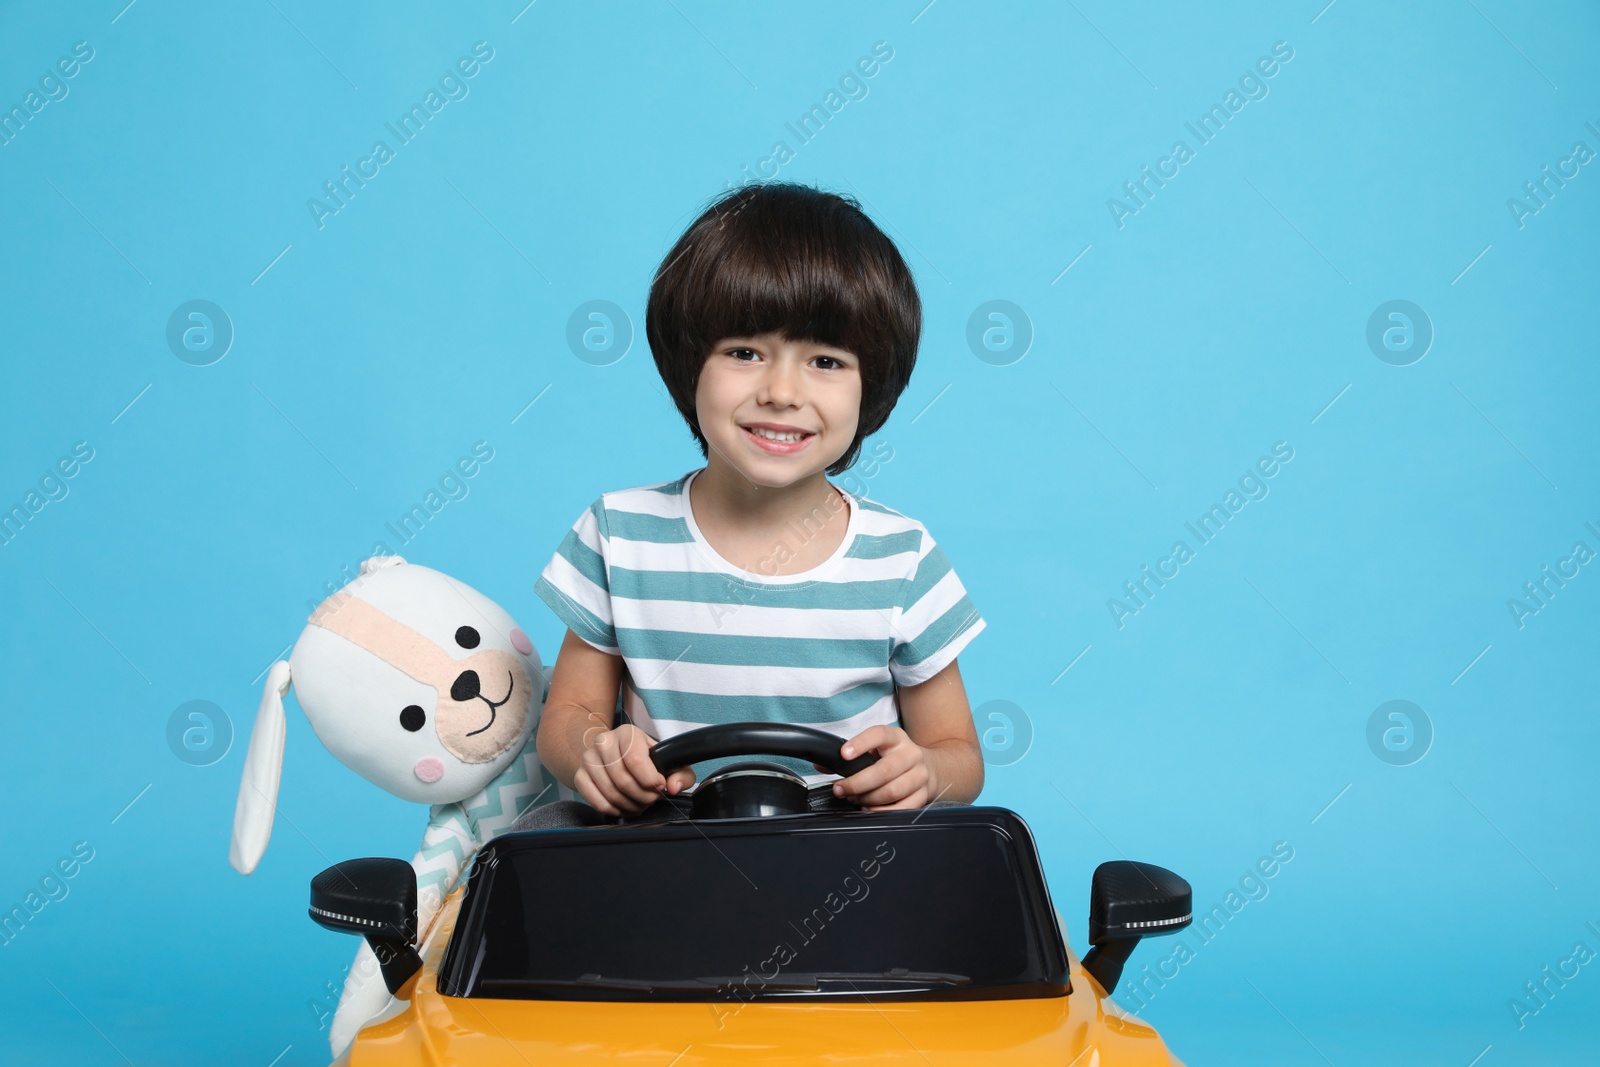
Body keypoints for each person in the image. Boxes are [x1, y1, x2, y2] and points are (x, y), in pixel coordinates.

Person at [530, 182, 986, 825]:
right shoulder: (619, 532)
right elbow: (565, 719)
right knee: (536, 843)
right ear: (691, 367)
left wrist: (926, 769)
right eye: (745, 353)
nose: (781, 391)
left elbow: (959, 756)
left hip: (844, 861)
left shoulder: (901, 558)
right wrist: (597, 752)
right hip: (662, 851)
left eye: (825, 361)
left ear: (871, 387)